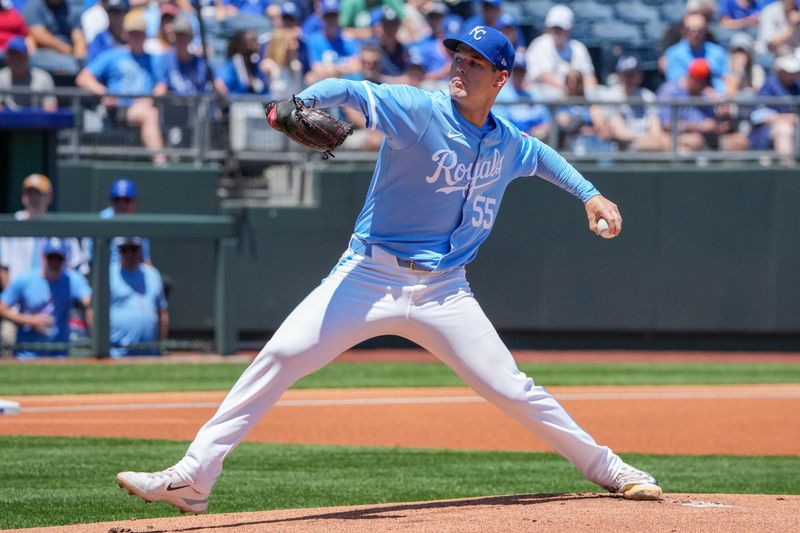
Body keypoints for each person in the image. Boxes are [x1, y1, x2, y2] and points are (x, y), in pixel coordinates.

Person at [116, 25, 662, 514]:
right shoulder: (419, 109)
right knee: (280, 356)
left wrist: (589, 194)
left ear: (500, 78)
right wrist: (300, 100)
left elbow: (541, 155)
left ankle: (610, 470)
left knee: (513, 390)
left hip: (445, 291)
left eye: (473, 63)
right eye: (456, 57)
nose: (458, 68)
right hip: (369, 276)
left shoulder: (507, 141)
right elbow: (351, 89)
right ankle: (194, 478)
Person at [75, 10, 167, 166]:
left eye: (140, 33)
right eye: (133, 33)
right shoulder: (112, 56)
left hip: (144, 107)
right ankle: (161, 164)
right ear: (125, 34)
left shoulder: (154, 59)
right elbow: (83, 78)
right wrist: (105, 93)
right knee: (149, 114)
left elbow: (161, 86)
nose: (136, 37)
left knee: (149, 112)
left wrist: (150, 99)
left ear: (146, 35)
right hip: (118, 108)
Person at [0, 237, 92, 360]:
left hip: (59, 354)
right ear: (43, 257)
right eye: (51, 258)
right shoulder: (26, 279)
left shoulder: (72, 279)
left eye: (59, 258)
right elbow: (2, 307)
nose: (54, 263)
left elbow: (90, 302)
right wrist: (30, 320)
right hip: (27, 354)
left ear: (65, 259)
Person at [657, 58, 749, 152]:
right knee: (696, 141)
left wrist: (719, 124)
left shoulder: (704, 94)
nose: (705, 86)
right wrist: (699, 127)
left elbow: (711, 121)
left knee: (740, 141)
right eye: (703, 82)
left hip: (708, 139)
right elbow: (667, 124)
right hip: (680, 138)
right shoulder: (670, 91)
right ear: (694, 79)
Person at [109, 237, 168, 357]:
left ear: (140, 250)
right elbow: (93, 312)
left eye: (133, 249)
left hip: (150, 353)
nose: (129, 254)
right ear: (119, 251)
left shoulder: (152, 274)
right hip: (117, 353)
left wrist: (161, 345)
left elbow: (161, 313)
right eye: (124, 250)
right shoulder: (109, 273)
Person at [523, 4, 597, 97]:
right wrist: (569, 91)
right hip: (548, 97)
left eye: (560, 28)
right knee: (550, 93)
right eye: (554, 27)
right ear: (548, 27)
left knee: (596, 92)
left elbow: (589, 78)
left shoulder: (578, 47)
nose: (557, 31)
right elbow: (545, 77)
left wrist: (581, 92)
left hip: (574, 94)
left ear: (569, 29)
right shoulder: (540, 44)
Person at [749, 54, 800, 163]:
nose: (792, 75)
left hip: (796, 130)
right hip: (765, 134)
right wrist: (787, 118)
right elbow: (756, 116)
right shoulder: (769, 85)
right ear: (779, 71)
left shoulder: (797, 86)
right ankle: (787, 170)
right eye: (788, 72)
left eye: (794, 72)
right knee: (784, 129)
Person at [663, 11, 730, 94]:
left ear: (705, 31)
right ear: (683, 30)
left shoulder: (718, 52)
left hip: (719, 100)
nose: (694, 34)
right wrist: (705, 92)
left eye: (699, 30)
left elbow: (726, 78)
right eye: (689, 30)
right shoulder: (673, 54)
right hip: (688, 102)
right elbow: (677, 84)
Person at [22, 0, 86, 75]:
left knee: (86, 64)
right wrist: (66, 49)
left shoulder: (70, 7)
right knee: (71, 65)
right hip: (43, 52)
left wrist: (79, 58)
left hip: (69, 55)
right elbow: (38, 35)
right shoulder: (33, 6)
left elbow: (78, 36)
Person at [0, 35, 58, 111]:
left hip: (37, 121)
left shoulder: (43, 77)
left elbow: (51, 109)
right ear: (7, 57)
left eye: (18, 55)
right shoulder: (1, 77)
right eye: (12, 55)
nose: (15, 59)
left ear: (27, 56)